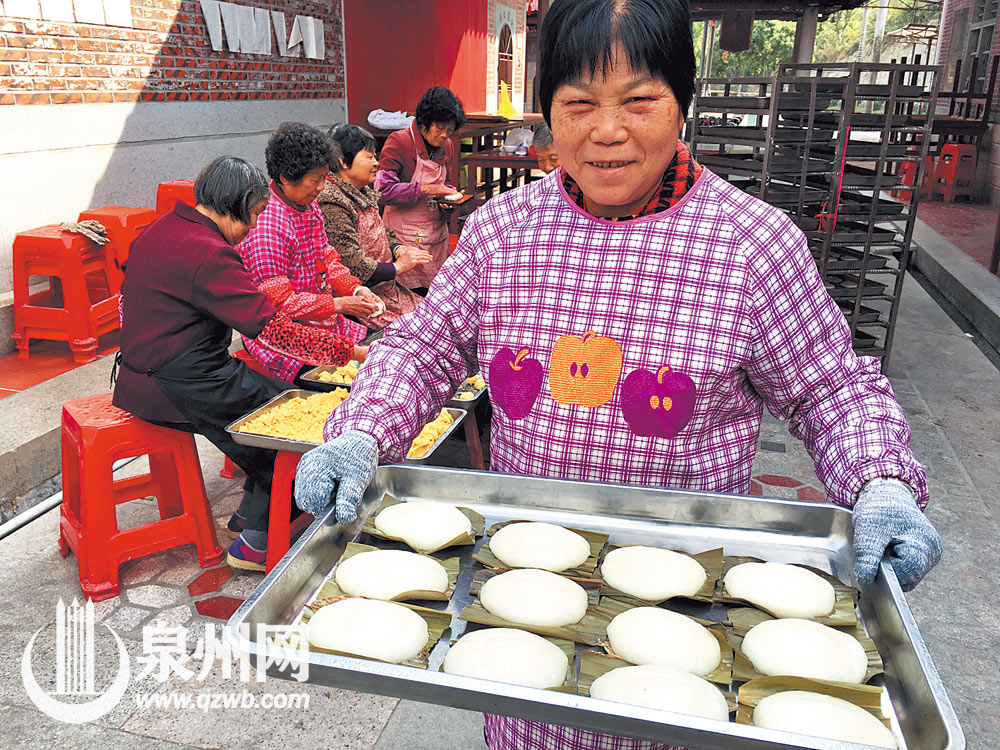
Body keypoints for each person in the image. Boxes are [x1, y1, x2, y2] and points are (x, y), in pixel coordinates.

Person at [294, 0, 943, 748]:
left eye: (639, 100)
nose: (607, 130)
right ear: (548, 116)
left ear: (682, 104)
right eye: (578, 104)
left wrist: (880, 481)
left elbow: (829, 388)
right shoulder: (505, 233)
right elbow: (426, 347)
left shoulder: (752, 245)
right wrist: (361, 433)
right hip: (518, 599)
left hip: (681, 609)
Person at [112, 156, 365, 572]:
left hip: (137, 375)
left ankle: (249, 515)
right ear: (242, 203)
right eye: (255, 215)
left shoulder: (160, 229)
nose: (252, 228)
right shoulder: (209, 254)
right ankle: (257, 543)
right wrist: (353, 353)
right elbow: (273, 331)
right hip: (179, 382)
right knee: (290, 427)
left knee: (273, 399)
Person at [237, 122, 382, 385]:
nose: (321, 187)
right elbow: (277, 306)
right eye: (316, 180)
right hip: (283, 338)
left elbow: (326, 257)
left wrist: (354, 289)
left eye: (325, 177)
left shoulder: (310, 207)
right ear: (285, 178)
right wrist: (339, 304)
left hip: (323, 322)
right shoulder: (267, 226)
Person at [319, 123, 432, 328]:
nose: (377, 163)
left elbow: (381, 231)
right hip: (362, 298)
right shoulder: (331, 200)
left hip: (388, 290)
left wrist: (398, 248)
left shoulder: (362, 190)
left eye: (375, 156)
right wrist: (398, 267)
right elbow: (351, 263)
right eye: (369, 157)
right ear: (343, 161)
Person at [375, 85, 466, 293]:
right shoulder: (399, 142)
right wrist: (427, 189)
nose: (444, 135)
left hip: (436, 235)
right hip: (404, 237)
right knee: (409, 295)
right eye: (439, 128)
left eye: (450, 130)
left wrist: (447, 198)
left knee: (437, 292)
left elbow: (447, 182)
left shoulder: (448, 146)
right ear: (425, 122)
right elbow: (382, 191)